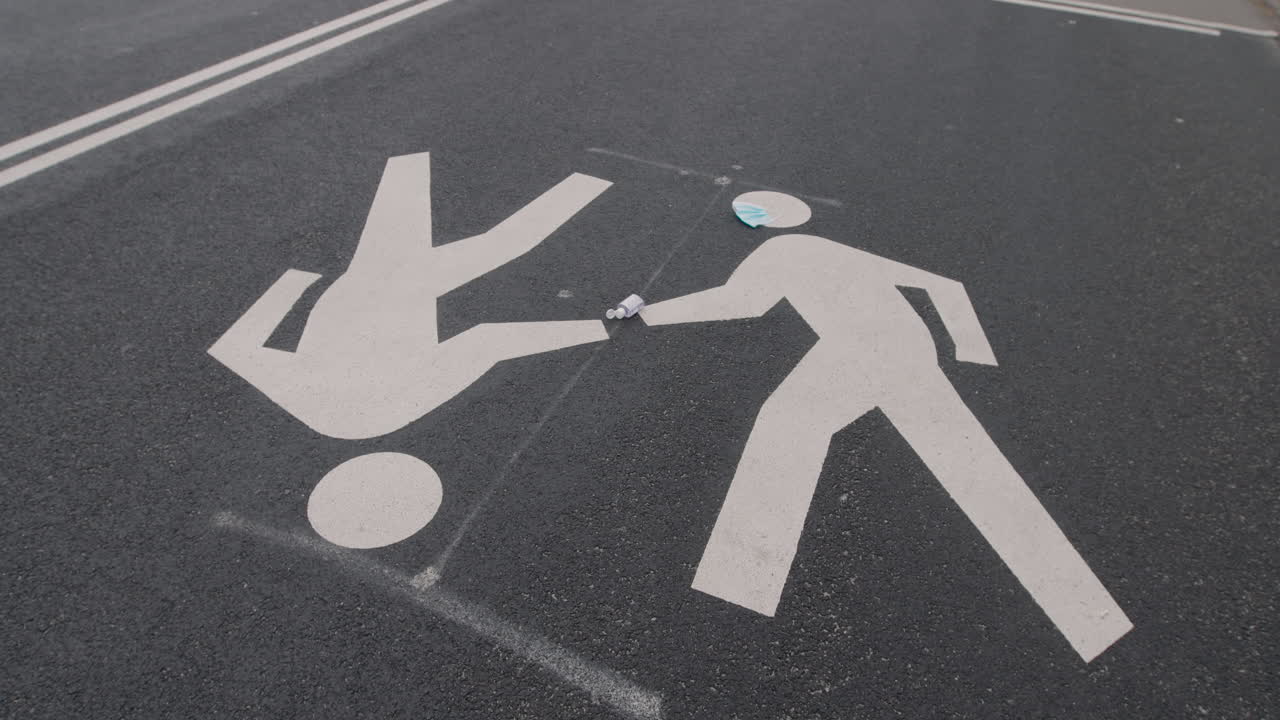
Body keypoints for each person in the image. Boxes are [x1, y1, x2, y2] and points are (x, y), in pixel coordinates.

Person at [637, 194, 1131, 661]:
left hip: (863, 351)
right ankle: (1083, 610)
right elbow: (945, 286)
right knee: (964, 461)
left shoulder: (779, 251)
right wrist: (970, 349)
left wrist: (650, 315)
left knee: (790, 422)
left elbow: (740, 303)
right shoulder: (826, 247)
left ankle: (742, 577)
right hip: (906, 347)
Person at [209, 152, 611, 440]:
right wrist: (293, 286)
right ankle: (409, 164)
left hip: (392, 292)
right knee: (408, 230)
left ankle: (592, 177)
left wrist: (594, 327)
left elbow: (488, 339)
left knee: (499, 244)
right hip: (353, 292)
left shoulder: (405, 392)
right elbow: (237, 348)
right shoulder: (300, 394)